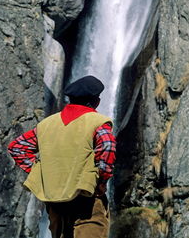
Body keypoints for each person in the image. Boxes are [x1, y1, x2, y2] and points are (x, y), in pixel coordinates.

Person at [8, 75, 116, 238]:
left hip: (55, 200)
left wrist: (40, 172)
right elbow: (107, 147)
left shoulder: (47, 124)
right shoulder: (98, 122)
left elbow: (17, 147)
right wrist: (101, 181)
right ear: (96, 102)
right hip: (86, 197)